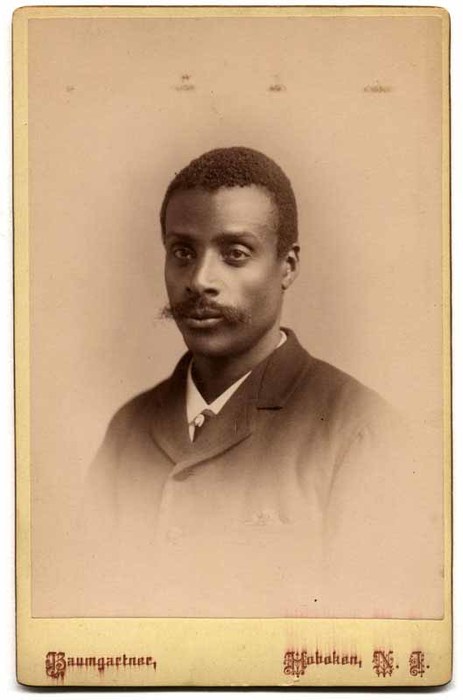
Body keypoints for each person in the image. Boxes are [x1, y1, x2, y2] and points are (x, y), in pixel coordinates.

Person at [81, 147, 439, 618]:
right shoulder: (127, 429)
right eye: (182, 252)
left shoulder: (361, 430)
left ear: (287, 266)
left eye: (235, 254)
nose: (200, 280)